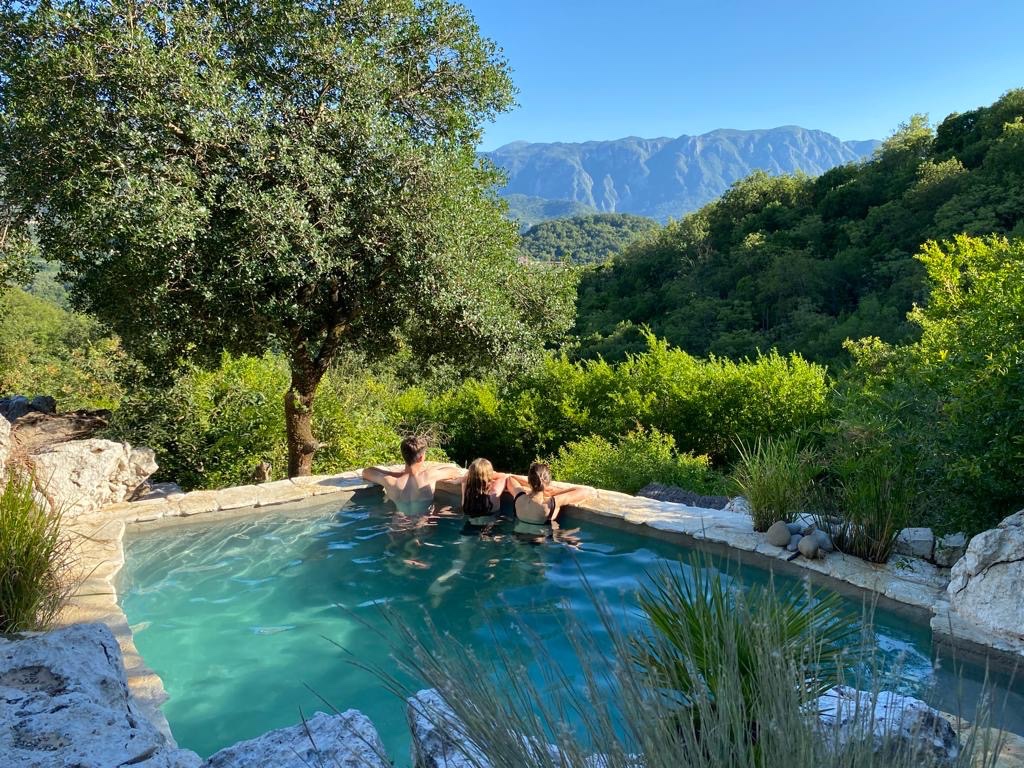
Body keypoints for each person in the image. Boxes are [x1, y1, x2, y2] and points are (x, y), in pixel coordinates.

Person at [361, 436, 463, 516]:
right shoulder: (429, 476)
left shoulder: (390, 481)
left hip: (400, 524)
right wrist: (430, 469)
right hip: (423, 523)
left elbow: (366, 472)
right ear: (421, 458)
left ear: (403, 455)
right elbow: (454, 471)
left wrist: (395, 474)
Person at [506, 462, 593, 539]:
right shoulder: (550, 503)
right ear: (548, 482)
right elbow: (585, 492)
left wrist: (533, 483)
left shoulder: (519, 497)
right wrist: (556, 491)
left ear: (529, 481)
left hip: (518, 539)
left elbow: (511, 479)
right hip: (541, 542)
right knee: (573, 536)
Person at [459, 457, 509, 533]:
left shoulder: (466, 490)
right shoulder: (494, 492)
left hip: (469, 526)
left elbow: (466, 477)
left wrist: (475, 474)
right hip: (490, 527)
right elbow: (504, 476)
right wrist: (490, 474)